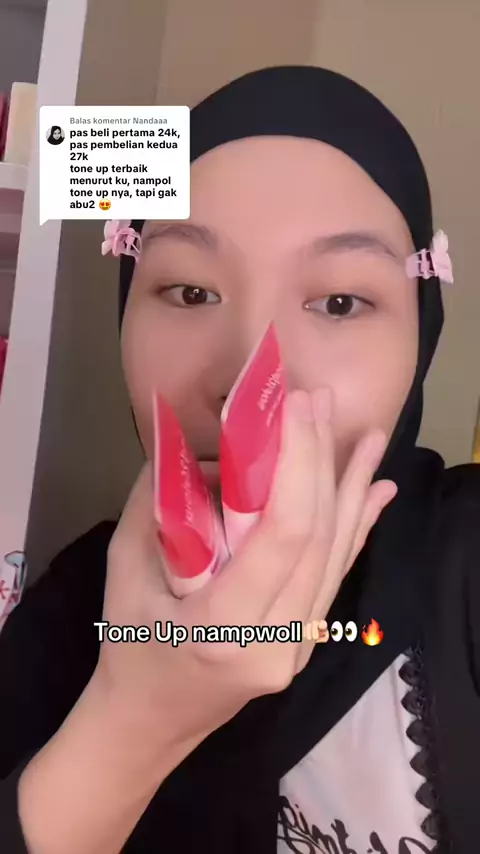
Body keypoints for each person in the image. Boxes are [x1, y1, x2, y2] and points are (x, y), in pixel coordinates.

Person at [1, 66, 479, 854]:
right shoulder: (75, 607)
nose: (245, 390)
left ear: (420, 333)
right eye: (191, 292)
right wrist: (134, 722)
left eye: (339, 302)